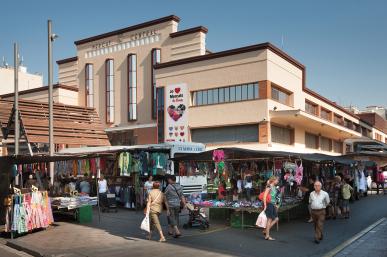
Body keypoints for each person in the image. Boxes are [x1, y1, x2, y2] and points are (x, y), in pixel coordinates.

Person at [263, 176, 280, 241]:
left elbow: (274, 197)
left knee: (276, 219)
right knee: (269, 220)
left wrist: (276, 204)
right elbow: (264, 196)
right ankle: (267, 236)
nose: (278, 181)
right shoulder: (269, 186)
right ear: (273, 180)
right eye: (277, 180)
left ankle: (265, 231)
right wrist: (265, 205)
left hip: (272, 204)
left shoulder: (274, 187)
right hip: (269, 204)